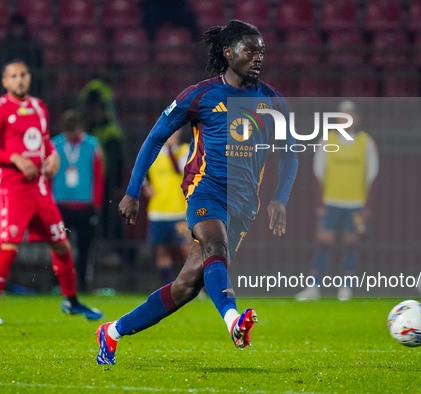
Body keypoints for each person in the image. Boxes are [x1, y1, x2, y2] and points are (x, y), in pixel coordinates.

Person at [95, 20, 298, 365]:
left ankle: (112, 332)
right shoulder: (200, 94)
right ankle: (234, 322)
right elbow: (155, 137)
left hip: (244, 204)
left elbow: (291, 152)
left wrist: (280, 198)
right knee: (215, 246)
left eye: (262, 51)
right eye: (251, 50)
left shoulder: (273, 100)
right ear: (228, 52)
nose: (258, 57)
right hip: (205, 189)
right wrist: (132, 190)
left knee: (187, 286)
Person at [0, 60, 103, 324]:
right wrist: (15, 158)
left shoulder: (38, 106)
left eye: (23, 74)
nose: (20, 80)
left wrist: (54, 156)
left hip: (39, 189)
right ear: (5, 81)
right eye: (14, 76)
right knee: (10, 247)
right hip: (11, 189)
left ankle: (71, 301)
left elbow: (44, 141)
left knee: (62, 244)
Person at [295, 100, 379, 301]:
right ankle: (314, 287)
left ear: (357, 119)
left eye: (351, 115)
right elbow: (317, 173)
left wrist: (368, 206)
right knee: (323, 241)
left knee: (352, 243)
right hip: (330, 202)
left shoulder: (366, 143)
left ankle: (346, 288)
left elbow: (373, 176)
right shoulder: (327, 141)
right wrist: (318, 204)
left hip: (356, 204)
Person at [52, 110, 104, 293]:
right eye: (68, 131)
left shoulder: (92, 145)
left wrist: (96, 204)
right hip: (60, 206)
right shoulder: (55, 145)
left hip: (84, 207)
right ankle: (58, 284)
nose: (71, 135)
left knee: (84, 248)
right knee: (60, 246)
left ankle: (82, 284)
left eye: (73, 130)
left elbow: (98, 175)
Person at [142, 129, 191, 286]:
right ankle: (167, 285)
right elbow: (138, 171)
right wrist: (146, 186)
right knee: (161, 250)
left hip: (180, 210)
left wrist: (171, 151)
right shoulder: (152, 153)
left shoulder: (185, 151)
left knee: (188, 250)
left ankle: (192, 286)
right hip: (158, 211)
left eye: (175, 134)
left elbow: (185, 170)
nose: (172, 136)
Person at [78, 78, 124, 239]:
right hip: (87, 180)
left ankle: (123, 254)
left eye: (96, 110)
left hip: (106, 182)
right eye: (91, 110)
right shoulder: (86, 131)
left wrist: (116, 184)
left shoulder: (111, 133)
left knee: (108, 218)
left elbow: (118, 162)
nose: (94, 113)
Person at [0, 15, 45, 97]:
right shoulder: (5, 45)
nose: (17, 30)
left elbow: (39, 64)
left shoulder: (32, 44)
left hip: (30, 82)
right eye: (15, 27)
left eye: (19, 27)